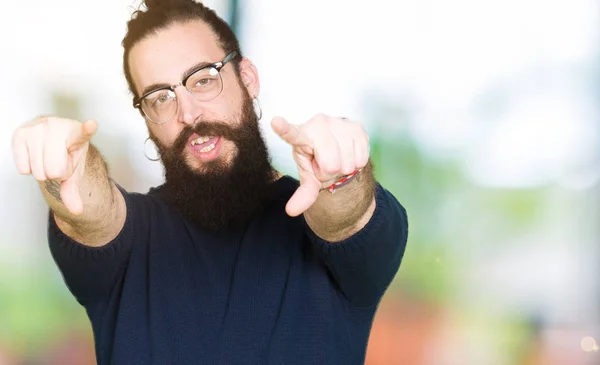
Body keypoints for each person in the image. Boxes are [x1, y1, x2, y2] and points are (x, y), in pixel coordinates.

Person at [10, 0, 408, 364]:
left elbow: (346, 217)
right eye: (160, 98)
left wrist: (338, 176)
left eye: (202, 79)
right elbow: (91, 212)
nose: (189, 113)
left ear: (247, 77)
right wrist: (67, 171)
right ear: (147, 120)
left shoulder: (322, 226)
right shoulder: (129, 242)